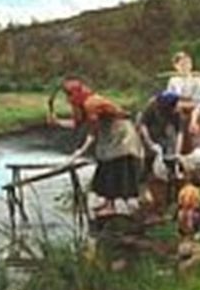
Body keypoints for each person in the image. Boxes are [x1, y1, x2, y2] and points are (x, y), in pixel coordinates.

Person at [47, 78, 144, 217]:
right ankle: (107, 201)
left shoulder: (91, 103)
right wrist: (58, 122)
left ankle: (116, 205)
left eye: (69, 95)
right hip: (108, 133)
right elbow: (77, 124)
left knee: (116, 163)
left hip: (120, 132)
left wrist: (80, 151)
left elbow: (92, 131)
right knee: (105, 161)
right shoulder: (80, 104)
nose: (68, 99)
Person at [166, 52, 200, 154]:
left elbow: (198, 101)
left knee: (197, 131)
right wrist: (178, 105)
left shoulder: (197, 80)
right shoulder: (173, 81)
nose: (185, 67)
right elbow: (171, 99)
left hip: (195, 111)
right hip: (179, 110)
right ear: (176, 66)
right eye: (182, 64)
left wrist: (193, 120)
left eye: (187, 64)